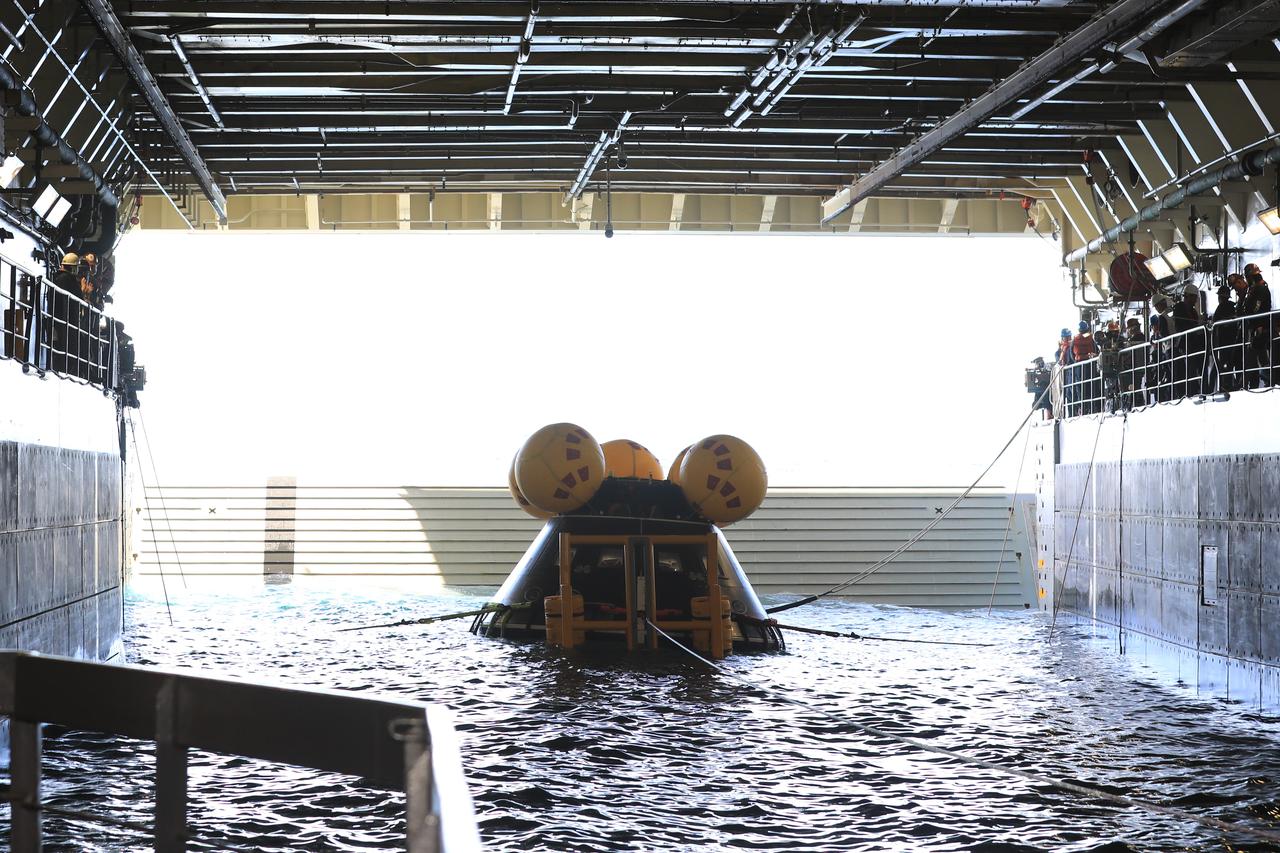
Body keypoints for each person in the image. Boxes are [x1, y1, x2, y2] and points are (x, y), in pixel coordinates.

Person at [1243, 264, 1273, 387]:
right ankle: (1266, 379)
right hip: (1256, 326)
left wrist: (1258, 324)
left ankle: (1267, 380)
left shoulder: (1260, 288)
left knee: (1258, 355)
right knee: (1259, 355)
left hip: (1261, 326)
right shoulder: (1255, 288)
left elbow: (1257, 307)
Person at [1211, 285, 1239, 392]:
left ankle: (1225, 385)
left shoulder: (1221, 307)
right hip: (1233, 340)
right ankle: (1233, 383)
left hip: (1224, 341)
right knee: (1231, 364)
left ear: (1221, 297)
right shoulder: (1233, 306)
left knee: (1224, 364)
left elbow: (1215, 322)